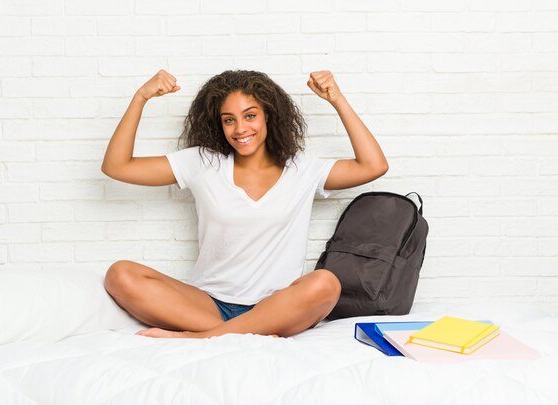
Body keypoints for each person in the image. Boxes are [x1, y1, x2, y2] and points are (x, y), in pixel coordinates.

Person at [101, 69, 388, 339]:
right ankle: (244, 332)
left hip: (277, 306)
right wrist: (140, 98)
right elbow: (117, 166)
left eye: (250, 116)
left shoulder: (303, 170)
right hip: (208, 305)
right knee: (120, 274)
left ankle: (201, 338)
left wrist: (337, 100)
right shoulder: (202, 162)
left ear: (268, 116)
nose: (240, 129)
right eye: (229, 119)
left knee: (326, 283)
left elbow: (373, 165)